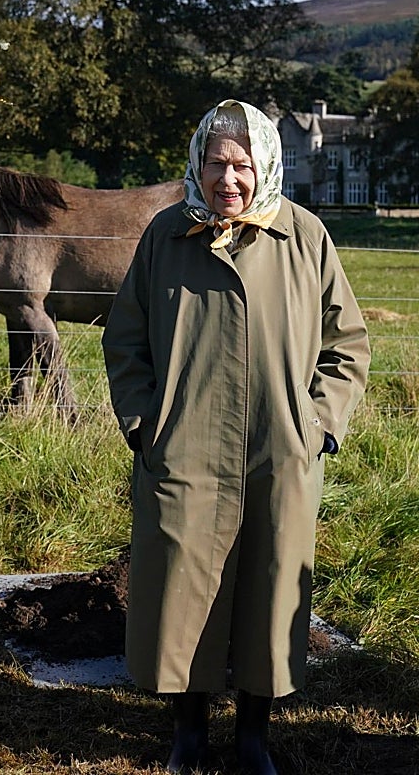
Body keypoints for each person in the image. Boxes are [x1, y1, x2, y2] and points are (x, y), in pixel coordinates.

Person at [101, 99, 370, 774]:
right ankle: (187, 734)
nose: (229, 180)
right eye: (216, 163)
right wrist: (144, 425)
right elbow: (126, 342)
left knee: (271, 588)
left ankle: (255, 737)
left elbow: (347, 345)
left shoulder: (304, 237)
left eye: (242, 165)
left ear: (266, 166)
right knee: (179, 590)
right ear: (197, 164)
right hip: (183, 448)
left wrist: (319, 426)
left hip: (280, 449)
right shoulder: (166, 236)